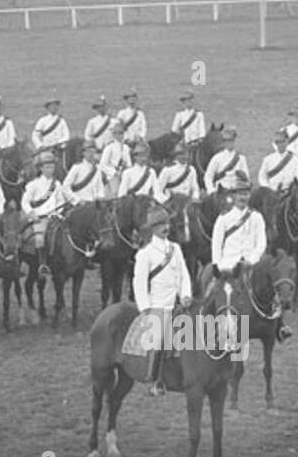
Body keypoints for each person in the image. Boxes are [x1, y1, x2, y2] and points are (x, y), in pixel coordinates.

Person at [132, 205, 193, 397]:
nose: (165, 228)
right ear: (152, 229)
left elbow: (184, 274)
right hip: (157, 304)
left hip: (177, 303)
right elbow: (139, 283)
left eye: (166, 223)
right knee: (158, 340)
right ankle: (155, 380)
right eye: (160, 225)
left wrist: (186, 294)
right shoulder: (145, 254)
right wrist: (146, 309)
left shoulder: (175, 249)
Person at [208, 174, 266, 290]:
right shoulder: (223, 218)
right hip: (228, 265)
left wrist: (251, 260)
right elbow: (216, 244)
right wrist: (217, 265)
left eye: (245, 194)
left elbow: (261, 244)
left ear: (249, 196)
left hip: (251, 265)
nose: (242, 198)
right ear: (233, 196)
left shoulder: (256, 217)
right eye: (239, 194)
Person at [20, 151, 65, 258]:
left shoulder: (57, 184)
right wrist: (32, 214)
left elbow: (61, 201)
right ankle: (42, 264)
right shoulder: (33, 185)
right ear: (41, 169)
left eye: (52, 167)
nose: (50, 170)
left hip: (55, 217)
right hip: (39, 219)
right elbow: (25, 202)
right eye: (47, 167)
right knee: (40, 240)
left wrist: (57, 212)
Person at [203, 127, 248, 195]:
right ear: (223, 142)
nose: (229, 143)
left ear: (235, 141)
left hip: (236, 191)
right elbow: (208, 176)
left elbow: (246, 177)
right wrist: (211, 190)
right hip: (221, 192)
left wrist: (243, 177)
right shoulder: (217, 158)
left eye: (231, 141)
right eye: (227, 141)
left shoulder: (241, 158)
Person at [98, 121, 131, 190]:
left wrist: (127, 170)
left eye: (121, 133)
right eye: (116, 133)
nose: (119, 135)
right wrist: (115, 173)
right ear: (113, 135)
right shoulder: (109, 147)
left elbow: (129, 163)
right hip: (112, 176)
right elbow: (102, 165)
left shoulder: (126, 147)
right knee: (115, 194)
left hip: (124, 175)